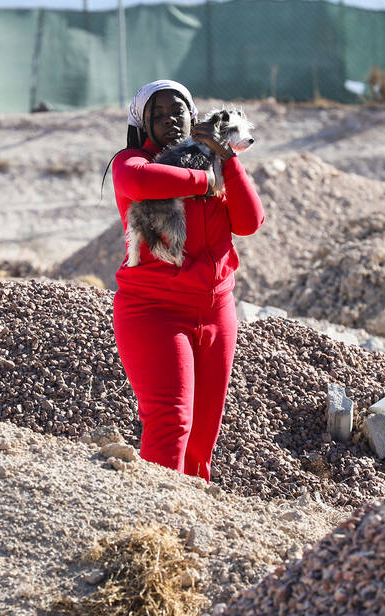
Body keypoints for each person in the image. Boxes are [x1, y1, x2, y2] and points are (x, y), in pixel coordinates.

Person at [110, 79, 265, 481]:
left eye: (176, 111)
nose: (169, 121)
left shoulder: (212, 159)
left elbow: (249, 223)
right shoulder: (132, 163)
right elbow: (142, 183)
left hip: (216, 314)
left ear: (192, 115)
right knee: (171, 424)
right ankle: (153, 526)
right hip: (155, 313)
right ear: (143, 125)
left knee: (200, 441)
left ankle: (191, 529)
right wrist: (207, 181)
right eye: (157, 116)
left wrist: (226, 159)